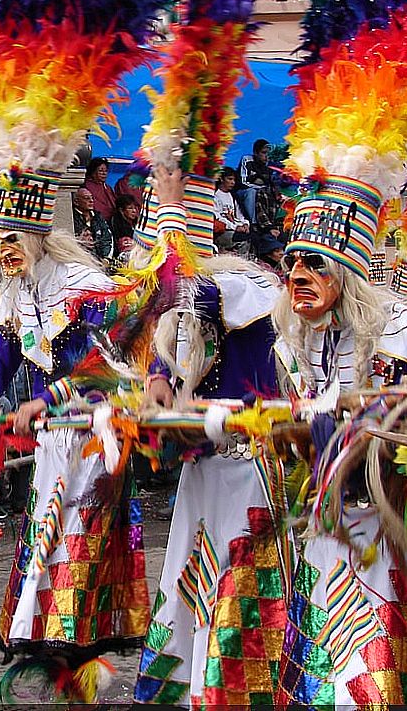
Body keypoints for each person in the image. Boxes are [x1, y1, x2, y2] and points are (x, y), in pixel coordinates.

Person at [0, 166, 150, 690]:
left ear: (38, 234)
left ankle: (76, 658)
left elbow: (105, 366)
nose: (3, 251)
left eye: (11, 239)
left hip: (98, 436)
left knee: (78, 541)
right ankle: (63, 658)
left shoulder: (84, 286)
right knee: (47, 537)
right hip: (53, 442)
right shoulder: (13, 297)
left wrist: (44, 399)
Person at [272, 179, 407, 705]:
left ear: (347, 274)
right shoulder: (294, 344)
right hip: (326, 534)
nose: (298, 275)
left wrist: (380, 422)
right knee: (323, 670)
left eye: (315, 264)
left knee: (381, 673)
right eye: (293, 262)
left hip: (393, 537)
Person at [132, 168, 288, 707]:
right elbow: (171, 321)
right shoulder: (186, 305)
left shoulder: (242, 289)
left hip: (251, 474)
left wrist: (172, 203)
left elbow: (180, 285)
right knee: (190, 586)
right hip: (203, 476)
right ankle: (194, 691)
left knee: (234, 593)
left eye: (165, 229)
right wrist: (156, 379)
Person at [212, 166, 250, 252]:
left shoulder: (234, 196)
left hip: (236, 227)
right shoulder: (214, 196)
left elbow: (240, 215)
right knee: (241, 241)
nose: (233, 182)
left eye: (234, 180)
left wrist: (245, 224)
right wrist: (235, 227)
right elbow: (217, 217)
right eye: (230, 179)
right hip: (223, 231)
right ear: (221, 179)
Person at [72, 187, 113, 260]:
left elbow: (107, 239)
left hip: (101, 259)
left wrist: (105, 258)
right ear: (76, 201)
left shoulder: (98, 217)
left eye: (92, 198)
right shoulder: (71, 218)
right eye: (86, 198)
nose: (91, 201)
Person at [82, 156, 116, 221]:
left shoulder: (107, 187)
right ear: (92, 172)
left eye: (106, 171)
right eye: (100, 171)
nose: (104, 173)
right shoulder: (87, 186)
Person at [110, 193, 140, 258]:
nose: (134, 211)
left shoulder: (137, 222)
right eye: (130, 208)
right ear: (121, 210)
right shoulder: (116, 223)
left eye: (135, 208)